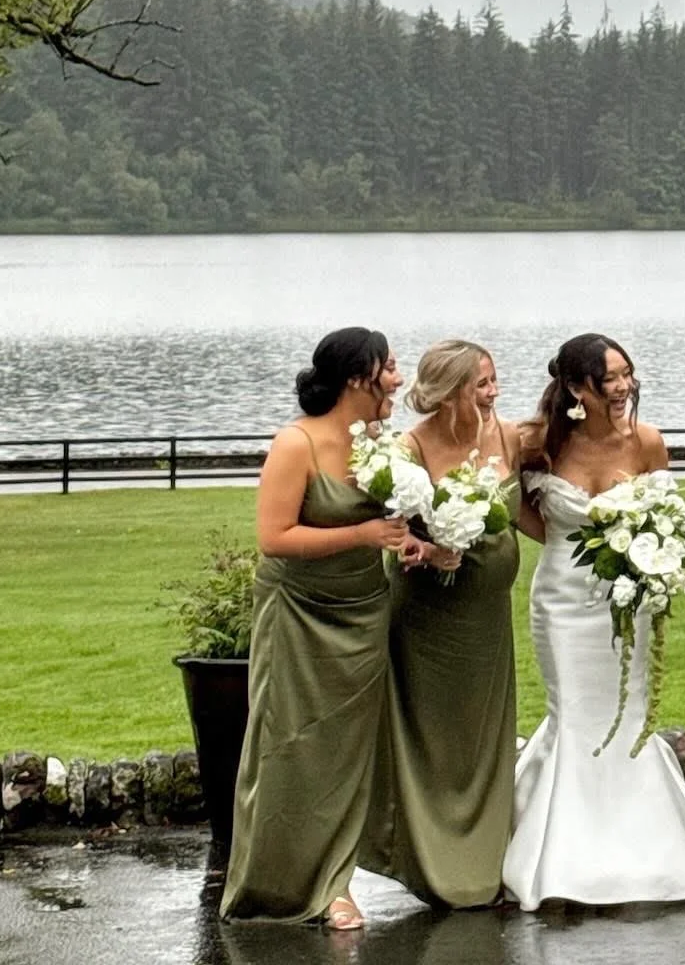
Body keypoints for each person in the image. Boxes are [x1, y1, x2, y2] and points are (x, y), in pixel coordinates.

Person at [501, 332, 685, 909]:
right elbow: (511, 501)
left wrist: (643, 562)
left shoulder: (646, 442)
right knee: (577, 715)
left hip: (626, 601)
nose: (621, 388)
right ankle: (560, 853)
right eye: (607, 379)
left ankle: (649, 849)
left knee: (629, 711)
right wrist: (563, 539)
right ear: (573, 387)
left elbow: (664, 518)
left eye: (626, 375)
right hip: (561, 602)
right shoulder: (533, 440)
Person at [220, 327, 408, 929]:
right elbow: (274, 538)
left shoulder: (379, 442)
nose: (398, 381)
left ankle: (336, 882)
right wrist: (364, 535)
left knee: (348, 755)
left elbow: (400, 516)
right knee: (290, 746)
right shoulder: (295, 444)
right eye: (389, 368)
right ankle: (278, 883)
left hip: (364, 611)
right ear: (357, 378)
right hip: (299, 614)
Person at [360, 339, 535, 907]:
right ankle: (435, 863)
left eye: (493, 381)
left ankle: (487, 860)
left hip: (487, 618)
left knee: (484, 735)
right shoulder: (407, 450)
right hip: (427, 618)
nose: (493, 392)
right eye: (482, 384)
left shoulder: (508, 435)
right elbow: (393, 531)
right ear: (454, 391)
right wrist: (427, 550)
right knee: (433, 736)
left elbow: (558, 466)